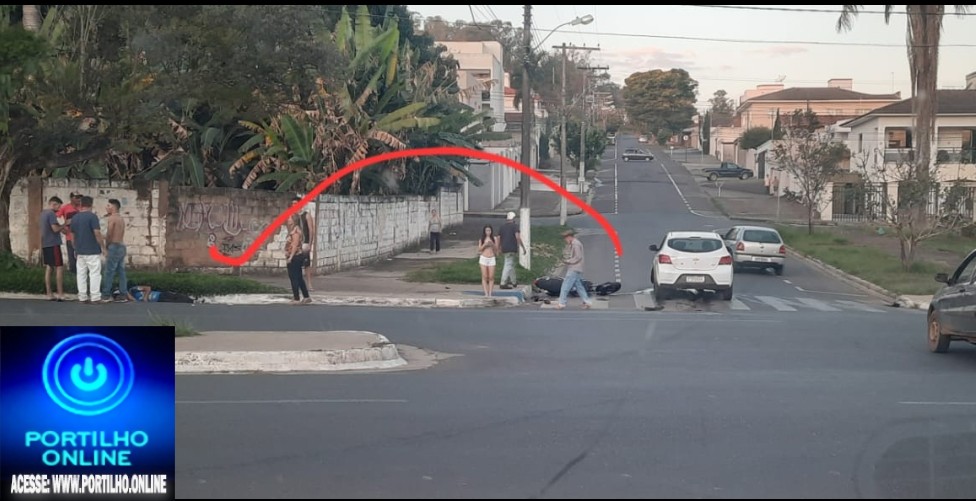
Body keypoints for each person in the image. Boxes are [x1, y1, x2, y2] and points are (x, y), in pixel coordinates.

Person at [68, 195, 106, 303]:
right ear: (91, 204)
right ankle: (95, 296)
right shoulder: (92, 217)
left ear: (80, 205)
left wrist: (75, 247)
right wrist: (103, 247)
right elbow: (97, 233)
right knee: (94, 274)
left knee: (81, 274)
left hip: (80, 251)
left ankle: (82, 296)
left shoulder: (75, 218)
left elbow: (72, 235)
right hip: (92, 250)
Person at [39, 196, 66, 301]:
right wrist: (65, 224)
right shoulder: (51, 214)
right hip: (53, 243)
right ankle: (60, 293)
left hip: (45, 244)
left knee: (49, 268)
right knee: (59, 267)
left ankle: (49, 293)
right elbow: (55, 229)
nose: (59, 208)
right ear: (54, 204)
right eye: (59, 206)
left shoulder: (43, 213)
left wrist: (62, 227)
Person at [557, 229, 592, 310]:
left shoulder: (575, 244)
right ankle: (587, 301)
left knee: (565, 285)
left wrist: (568, 261)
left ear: (569, 237)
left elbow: (578, 257)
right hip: (577, 268)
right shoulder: (575, 243)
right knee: (579, 286)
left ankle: (562, 303)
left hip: (574, 268)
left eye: (565, 239)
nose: (565, 241)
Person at [101, 198, 128, 302]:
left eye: (108, 206)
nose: (106, 207)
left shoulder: (112, 218)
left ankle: (106, 294)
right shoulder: (121, 218)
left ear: (113, 207)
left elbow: (109, 234)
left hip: (114, 246)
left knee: (109, 271)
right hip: (121, 246)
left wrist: (106, 246)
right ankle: (123, 294)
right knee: (121, 271)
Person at [286, 213, 311, 305]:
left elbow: (295, 245)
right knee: (299, 278)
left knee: (294, 277)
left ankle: (296, 298)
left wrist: (291, 257)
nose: (288, 220)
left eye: (289, 218)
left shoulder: (295, 231)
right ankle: (306, 296)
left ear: (294, 220)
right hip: (295, 256)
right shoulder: (293, 230)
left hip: (295, 257)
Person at [497, 211, 526, 289]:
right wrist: (523, 247)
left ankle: (514, 281)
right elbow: (517, 237)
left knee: (511, 265)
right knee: (508, 265)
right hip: (512, 248)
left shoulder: (502, 227)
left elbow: (498, 238)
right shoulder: (515, 226)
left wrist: (498, 248)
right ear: (513, 219)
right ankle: (503, 283)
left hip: (504, 248)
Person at [294, 195, 316, 291]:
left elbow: (311, 230)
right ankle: (298, 284)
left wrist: (310, 244)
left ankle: (309, 284)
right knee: (295, 264)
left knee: (306, 264)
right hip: (296, 243)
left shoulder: (306, 215)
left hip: (304, 243)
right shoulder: (293, 216)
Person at [56, 192, 82, 273]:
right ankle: (72, 275)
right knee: (72, 258)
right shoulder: (65, 208)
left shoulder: (82, 207)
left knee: (81, 258)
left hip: (81, 236)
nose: (78, 199)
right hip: (69, 236)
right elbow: (55, 218)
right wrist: (61, 228)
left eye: (79, 197)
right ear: (71, 198)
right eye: (76, 197)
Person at [477, 224, 499, 298]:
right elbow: (479, 249)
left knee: (491, 276)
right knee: (484, 276)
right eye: (487, 230)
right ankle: (486, 293)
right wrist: (485, 245)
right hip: (483, 258)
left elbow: (496, 248)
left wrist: (492, 244)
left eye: (489, 230)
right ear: (484, 231)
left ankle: (490, 293)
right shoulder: (482, 239)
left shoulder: (494, 238)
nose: (488, 232)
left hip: (491, 258)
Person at [124, 285, 194, 303]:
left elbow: (148, 288)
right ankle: (189, 301)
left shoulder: (134, 289)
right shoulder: (132, 300)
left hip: (160, 295)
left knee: (176, 296)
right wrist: (129, 297)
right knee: (175, 303)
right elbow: (134, 300)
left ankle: (192, 300)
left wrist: (145, 297)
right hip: (158, 301)